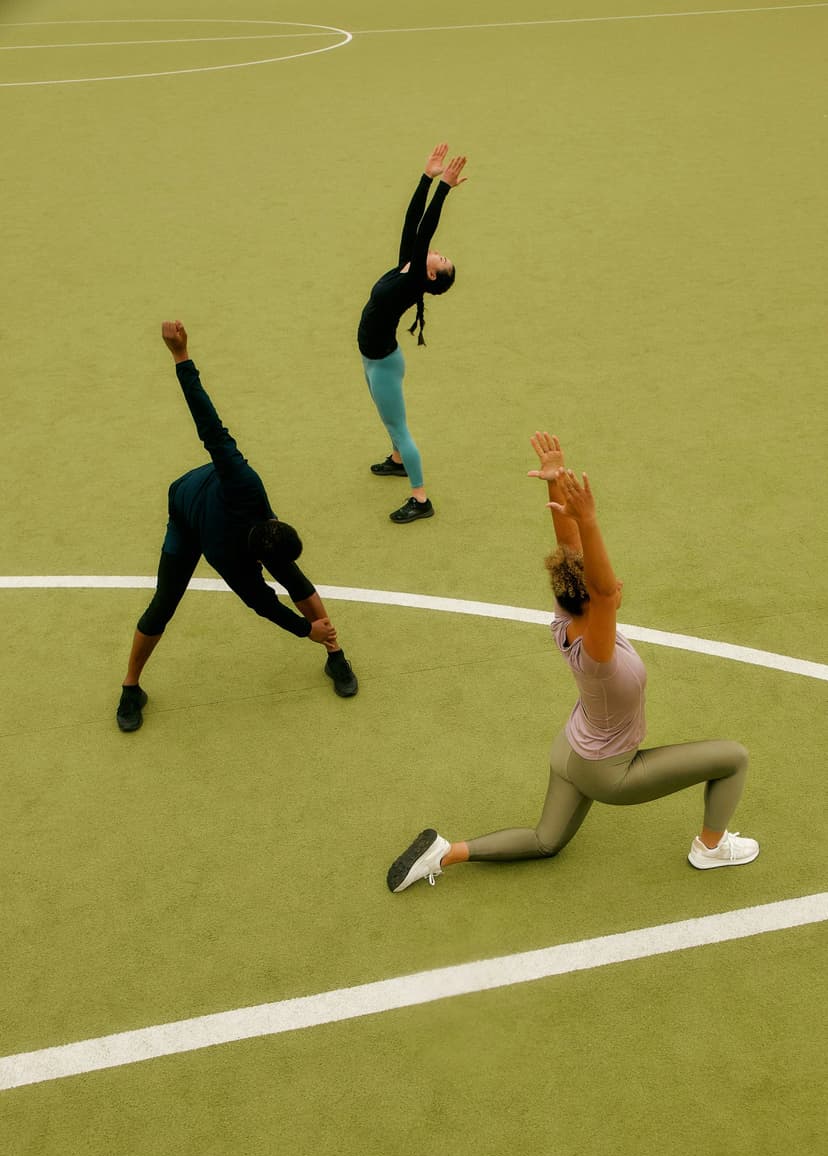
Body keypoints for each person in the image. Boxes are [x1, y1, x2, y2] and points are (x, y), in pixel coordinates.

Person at [387, 432, 759, 890]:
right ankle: (711, 847)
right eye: (610, 585)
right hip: (609, 774)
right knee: (734, 758)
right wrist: (593, 521)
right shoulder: (599, 654)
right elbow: (602, 587)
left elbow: (571, 556)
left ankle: (446, 852)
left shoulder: (566, 618)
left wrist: (555, 482)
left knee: (547, 840)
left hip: (569, 751)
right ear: (599, 601)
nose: (615, 581)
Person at [116, 321, 358, 732]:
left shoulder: (244, 482)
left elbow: (212, 428)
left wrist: (181, 357)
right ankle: (130, 687)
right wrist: (304, 630)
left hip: (217, 493)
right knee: (163, 606)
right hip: (186, 514)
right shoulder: (232, 561)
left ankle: (335, 652)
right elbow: (262, 603)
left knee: (296, 579)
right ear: (265, 544)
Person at [358, 143, 468, 524]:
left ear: (433, 274)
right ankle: (397, 460)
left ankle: (420, 499)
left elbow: (427, 227)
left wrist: (445, 188)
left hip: (384, 364)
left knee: (399, 427)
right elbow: (412, 222)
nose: (438, 252)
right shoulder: (408, 265)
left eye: (442, 259)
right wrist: (426, 177)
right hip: (371, 357)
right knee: (387, 419)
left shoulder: (415, 280)